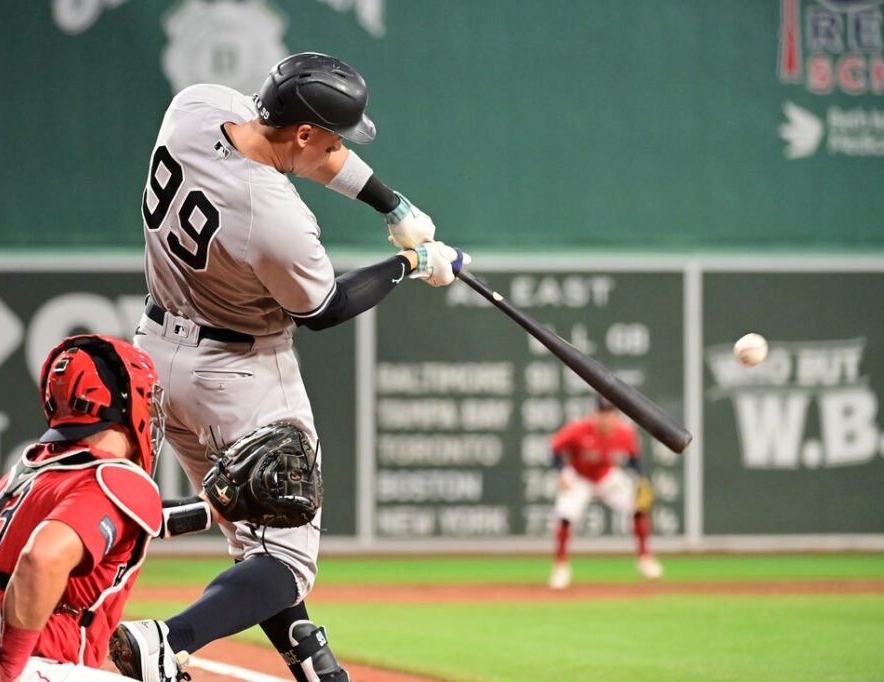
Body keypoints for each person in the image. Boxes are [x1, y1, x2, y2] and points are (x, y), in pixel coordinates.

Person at [116, 52, 468, 682]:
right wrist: (411, 265)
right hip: (239, 373)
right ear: (303, 132)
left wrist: (394, 208)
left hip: (157, 358)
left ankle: (313, 663)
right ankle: (166, 639)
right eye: (329, 137)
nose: (336, 151)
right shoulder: (273, 215)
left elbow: (313, 154)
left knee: (257, 541)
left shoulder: (195, 106)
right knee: (284, 559)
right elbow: (323, 309)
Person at [547, 396, 664, 590]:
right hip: (578, 476)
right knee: (565, 516)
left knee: (639, 506)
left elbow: (634, 459)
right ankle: (560, 567)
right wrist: (560, 473)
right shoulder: (579, 429)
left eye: (610, 414)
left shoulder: (625, 432)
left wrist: (640, 479)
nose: (606, 419)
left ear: (616, 417)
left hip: (606, 476)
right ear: (595, 415)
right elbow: (555, 447)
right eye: (602, 414)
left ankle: (645, 558)